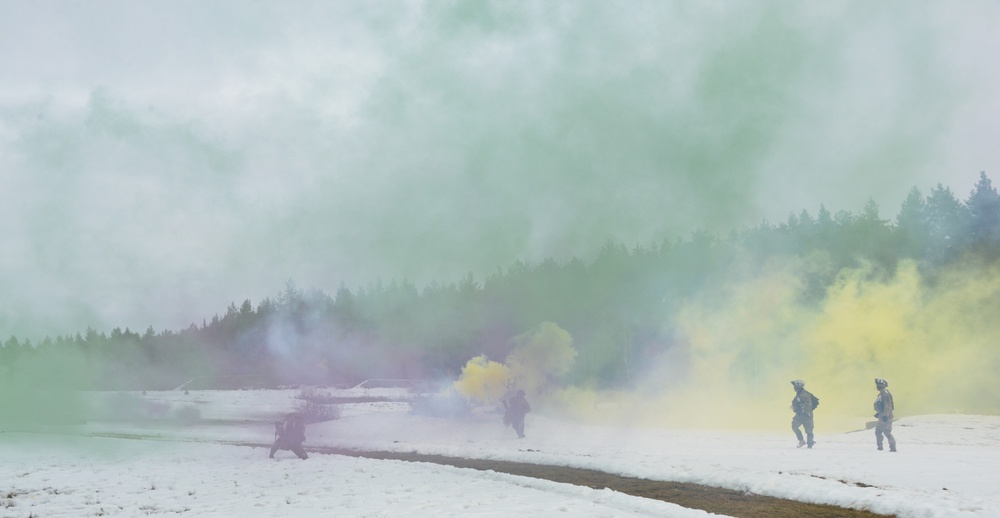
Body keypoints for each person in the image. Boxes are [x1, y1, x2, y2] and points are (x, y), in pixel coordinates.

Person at [790, 379, 816, 448]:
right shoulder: (799, 394)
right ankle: (801, 441)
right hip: (800, 415)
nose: (794, 387)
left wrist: (806, 413)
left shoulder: (804, 394)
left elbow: (809, 405)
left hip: (806, 416)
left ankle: (810, 445)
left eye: (795, 386)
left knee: (809, 431)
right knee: (794, 426)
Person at [874, 378, 896, 452]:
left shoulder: (885, 394)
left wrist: (885, 415)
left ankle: (893, 448)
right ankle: (880, 447)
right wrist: (879, 413)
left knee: (887, 432)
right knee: (878, 431)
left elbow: (888, 406)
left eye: (878, 385)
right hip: (882, 415)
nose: (877, 386)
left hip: (886, 416)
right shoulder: (881, 394)